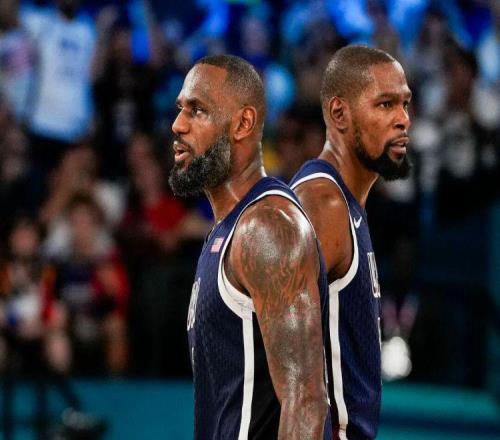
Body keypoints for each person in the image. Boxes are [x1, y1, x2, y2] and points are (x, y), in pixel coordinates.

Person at [169, 54, 330, 439]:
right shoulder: (228, 230)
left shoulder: (268, 227)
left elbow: (306, 400)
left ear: (243, 123)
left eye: (197, 110)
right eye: (180, 109)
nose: (178, 125)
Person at [289, 45, 412, 439]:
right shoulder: (323, 204)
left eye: (405, 104)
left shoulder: (345, 203)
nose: (403, 119)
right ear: (339, 114)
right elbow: (274, 355)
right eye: (385, 104)